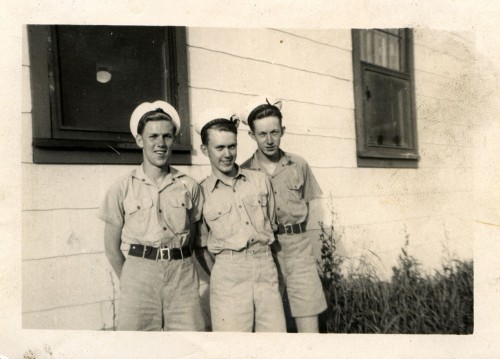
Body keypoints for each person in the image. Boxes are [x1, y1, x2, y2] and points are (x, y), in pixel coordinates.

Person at [98, 100, 206, 331]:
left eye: (167, 136)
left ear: (174, 140)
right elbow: (111, 249)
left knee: (190, 344)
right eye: (153, 137)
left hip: (182, 277)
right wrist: (132, 280)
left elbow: (195, 239)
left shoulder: (189, 186)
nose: (161, 144)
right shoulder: (122, 188)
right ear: (140, 140)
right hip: (139, 276)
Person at [195, 108, 286, 332]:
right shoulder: (201, 192)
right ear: (205, 150)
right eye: (219, 148)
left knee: (276, 346)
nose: (227, 154)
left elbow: (274, 230)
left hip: (266, 268)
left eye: (232, 146)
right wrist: (225, 270)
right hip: (228, 275)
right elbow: (200, 246)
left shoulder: (260, 181)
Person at [241, 97, 327, 333]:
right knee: (271, 326)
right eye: (262, 134)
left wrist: (293, 231)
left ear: (283, 131)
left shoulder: (298, 164)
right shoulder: (245, 172)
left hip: (299, 251)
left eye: (274, 132)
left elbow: (307, 208)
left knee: (309, 324)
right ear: (252, 136)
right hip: (266, 253)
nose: (269, 140)